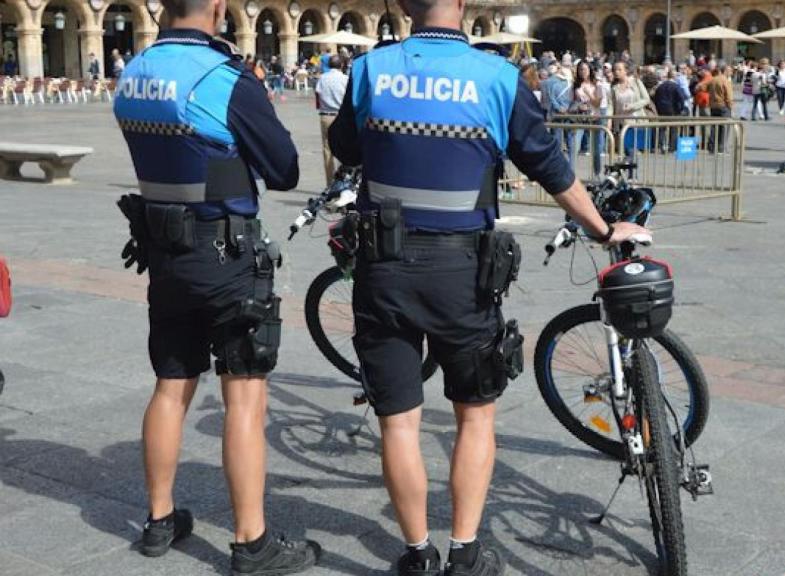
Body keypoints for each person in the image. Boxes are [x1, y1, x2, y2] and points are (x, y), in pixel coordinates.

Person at [327, 2, 651, 574]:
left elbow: (347, 148)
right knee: (474, 416)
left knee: (398, 420)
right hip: (463, 275)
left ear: (404, 7)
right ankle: (465, 552)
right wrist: (603, 229)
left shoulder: (372, 71)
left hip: (383, 268)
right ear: (463, 7)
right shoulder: (498, 77)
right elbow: (551, 168)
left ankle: (417, 553)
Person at [111, 0, 321, 573]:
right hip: (226, 253)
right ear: (220, 8)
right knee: (244, 395)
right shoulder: (226, 78)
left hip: (164, 250)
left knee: (170, 383)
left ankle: (158, 521)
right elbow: (284, 170)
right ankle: (251, 542)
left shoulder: (132, 74)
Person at [315, 54, 348, 186]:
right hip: (341, 116)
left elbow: (317, 96)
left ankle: (330, 183)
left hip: (326, 115)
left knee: (327, 150)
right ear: (342, 65)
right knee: (345, 148)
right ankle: (344, 181)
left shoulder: (322, 78)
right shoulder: (345, 79)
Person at [707, 66, 733, 153]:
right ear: (725, 71)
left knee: (714, 127)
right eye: (730, 71)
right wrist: (730, 106)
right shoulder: (725, 80)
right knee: (724, 127)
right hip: (723, 106)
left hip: (713, 106)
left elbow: (704, 88)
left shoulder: (713, 79)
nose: (731, 73)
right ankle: (721, 148)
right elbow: (729, 96)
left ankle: (712, 147)